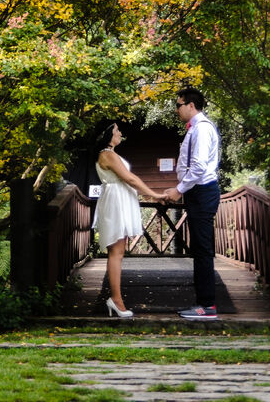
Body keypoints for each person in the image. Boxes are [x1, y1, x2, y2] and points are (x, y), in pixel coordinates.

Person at [92, 121, 166, 318]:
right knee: (116, 251)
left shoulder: (111, 154)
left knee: (119, 251)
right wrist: (155, 195)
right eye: (116, 130)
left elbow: (129, 180)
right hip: (115, 202)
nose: (120, 133)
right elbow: (130, 179)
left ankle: (115, 299)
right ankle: (116, 300)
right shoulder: (107, 154)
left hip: (118, 200)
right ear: (108, 134)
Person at [162, 87, 221, 321]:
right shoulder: (195, 128)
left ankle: (207, 306)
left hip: (203, 192)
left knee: (203, 250)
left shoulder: (203, 129)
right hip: (197, 192)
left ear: (190, 105)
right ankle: (203, 303)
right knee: (199, 248)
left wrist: (178, 190)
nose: (176, 110)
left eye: (178, 105)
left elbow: (198, 167)